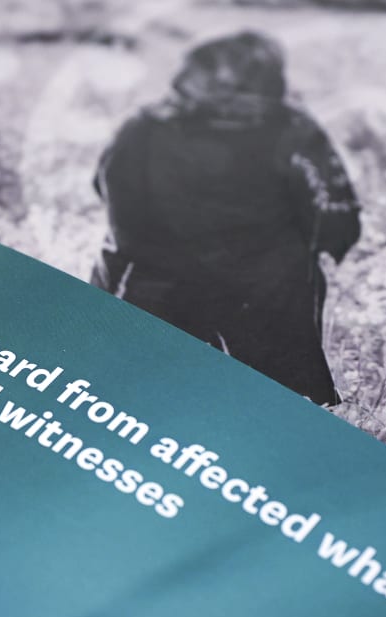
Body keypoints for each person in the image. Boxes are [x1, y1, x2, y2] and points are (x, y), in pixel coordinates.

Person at [91, 31, 361, 405]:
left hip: (153, 285)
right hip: (268, 291)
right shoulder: (293, 129)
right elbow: (334, 217)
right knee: (279, 411)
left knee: (137, 405)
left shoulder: (143, 127)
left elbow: (111, 194)